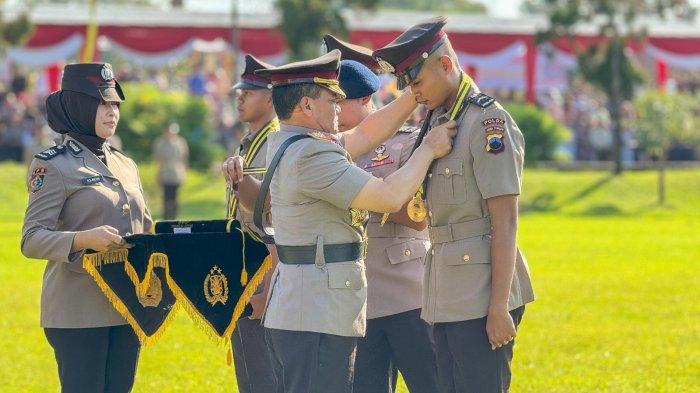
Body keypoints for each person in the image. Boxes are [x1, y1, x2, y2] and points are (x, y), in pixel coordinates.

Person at [253, 49, 456, 393]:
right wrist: (428, 150)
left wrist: (413, 95)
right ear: (306, 105)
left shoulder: (292, 141)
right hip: (316, 315)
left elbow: (363, 137)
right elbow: (389, 197)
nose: (339, 106)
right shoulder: (312, 153)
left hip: (308, 308)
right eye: (332, 100)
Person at [373, 16, 536, 392]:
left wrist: (498, 307)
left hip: (482, 289)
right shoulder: (437, 122)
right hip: (444, 285)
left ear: (445, 65)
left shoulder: (487, 122)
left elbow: (505, 222)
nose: (413, 94)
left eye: (416, 82)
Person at [20, 62, 152, 393]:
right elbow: (31, 239)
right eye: (102, 103)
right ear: (79, 106)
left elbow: (145, 226)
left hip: (127, 305)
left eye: (115, 104)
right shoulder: (52, 165)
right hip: (78, 310)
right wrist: (82, 239)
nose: (112, 112)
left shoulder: (125, 163)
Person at [324, 34, 439, 393]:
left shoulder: (405, 141)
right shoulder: (324, 151)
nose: (333, 111)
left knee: (433, 384)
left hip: (407, 294)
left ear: (363, 99)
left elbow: (421, 215)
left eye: (338, 101)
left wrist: (362, 192)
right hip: (355, 299)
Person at [220, 54, 279, 393]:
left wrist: (266, 287)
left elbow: (272, 219)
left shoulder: (274, 145)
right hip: (243, 270)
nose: (240, 97)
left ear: (270, 98)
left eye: (250, 92)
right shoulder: (248, 144)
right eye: (240, 91)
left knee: (264, 375)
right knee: (250, 372)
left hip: (265, 272)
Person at [153, 121, 188, 220]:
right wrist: (157, 175)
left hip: (176, 174)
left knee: (175, 198)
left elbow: (183, 159)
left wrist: (184, 173)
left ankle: (174, 217)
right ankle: (166, 218)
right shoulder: (159, 142)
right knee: (166, 197)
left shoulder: (181, 142)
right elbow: (158, 160)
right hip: (165, 173)